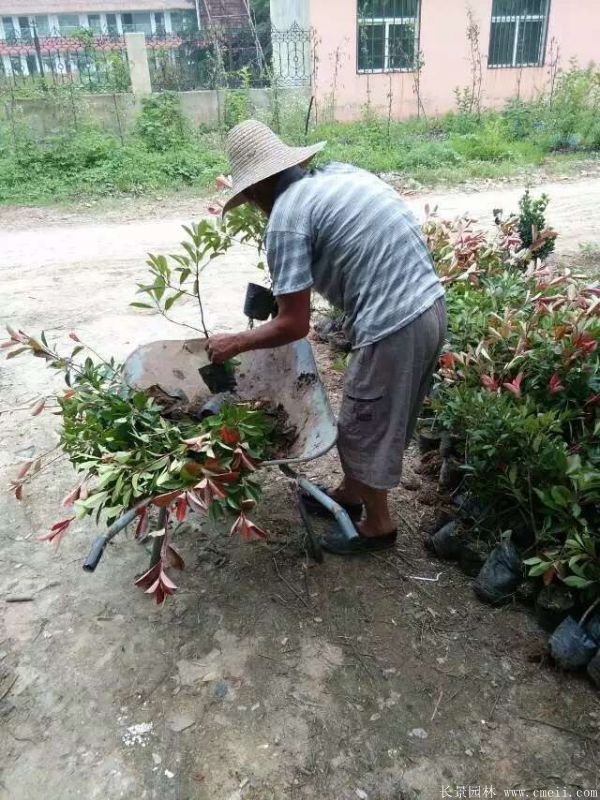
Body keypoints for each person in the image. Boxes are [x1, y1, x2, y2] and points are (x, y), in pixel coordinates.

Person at [206, 119, 446, 555]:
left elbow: (295, 325)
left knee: (363, 420)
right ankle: (351, 495)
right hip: (429, 306)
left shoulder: (285, 218)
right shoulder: (338, 176)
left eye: (250, 200)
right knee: (381, 412)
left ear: (255, 190)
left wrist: (235, 342)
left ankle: (378, 526)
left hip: (393, 321)